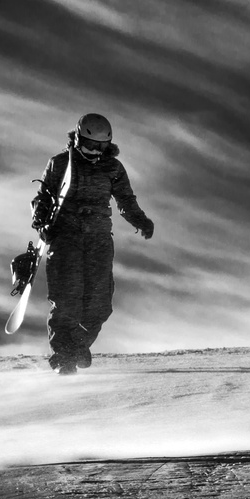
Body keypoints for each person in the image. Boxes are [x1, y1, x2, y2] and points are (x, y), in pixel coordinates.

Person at [30, 113, 154, 375]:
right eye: (90, 145)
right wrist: (41, 222)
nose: (95, 152)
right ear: (77, 139)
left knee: (100, 303)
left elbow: (125, 200)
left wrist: (141, 221)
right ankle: (64, 357)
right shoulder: (59, 163)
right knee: (67, 301)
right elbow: (43, 197)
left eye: (101, 146)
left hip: (98, 239)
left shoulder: (113, 168)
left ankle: (77, 345)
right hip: (66, 238)